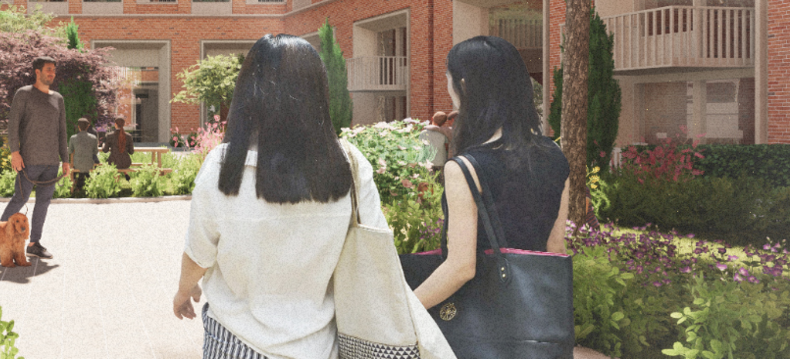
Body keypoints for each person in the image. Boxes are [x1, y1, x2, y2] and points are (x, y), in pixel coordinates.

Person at [173, 34, 386, 359]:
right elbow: (377, 250)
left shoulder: (223, 164)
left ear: (249, 91)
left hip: (235, 342)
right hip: (321, 345)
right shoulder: (349, 163)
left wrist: (183, 292)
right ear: (318, 90)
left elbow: (198, 254)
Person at [412, 36, 571, 310]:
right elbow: (555, 250)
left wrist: (400, 313)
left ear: (464, 85)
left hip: (482, 322)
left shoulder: (466, 168)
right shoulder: (554, 155)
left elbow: (460, 267)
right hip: (530, 318)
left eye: (449, 79)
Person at [1, 57, 71, 259]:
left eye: (54, 70)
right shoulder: (23, 94)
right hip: (29, 160)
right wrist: (15, 152)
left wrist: (65, 160)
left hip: (51, 162)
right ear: (37, 72)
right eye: (48, 70)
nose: (52, 74)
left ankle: (34, 243)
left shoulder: (58, 98)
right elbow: (13, 125)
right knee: (19, 200)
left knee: (43, 202)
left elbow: (62, 131)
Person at [69, 117, 98, 196]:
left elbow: (70, 151)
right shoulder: (93, 138)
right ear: (87, 126)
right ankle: (86, 185)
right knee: (86, 167)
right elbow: (95, 152)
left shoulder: (73, 138)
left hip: (77, 164)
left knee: (80, 166)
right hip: (89, 164)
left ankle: (77, 186)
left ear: (78, 126)